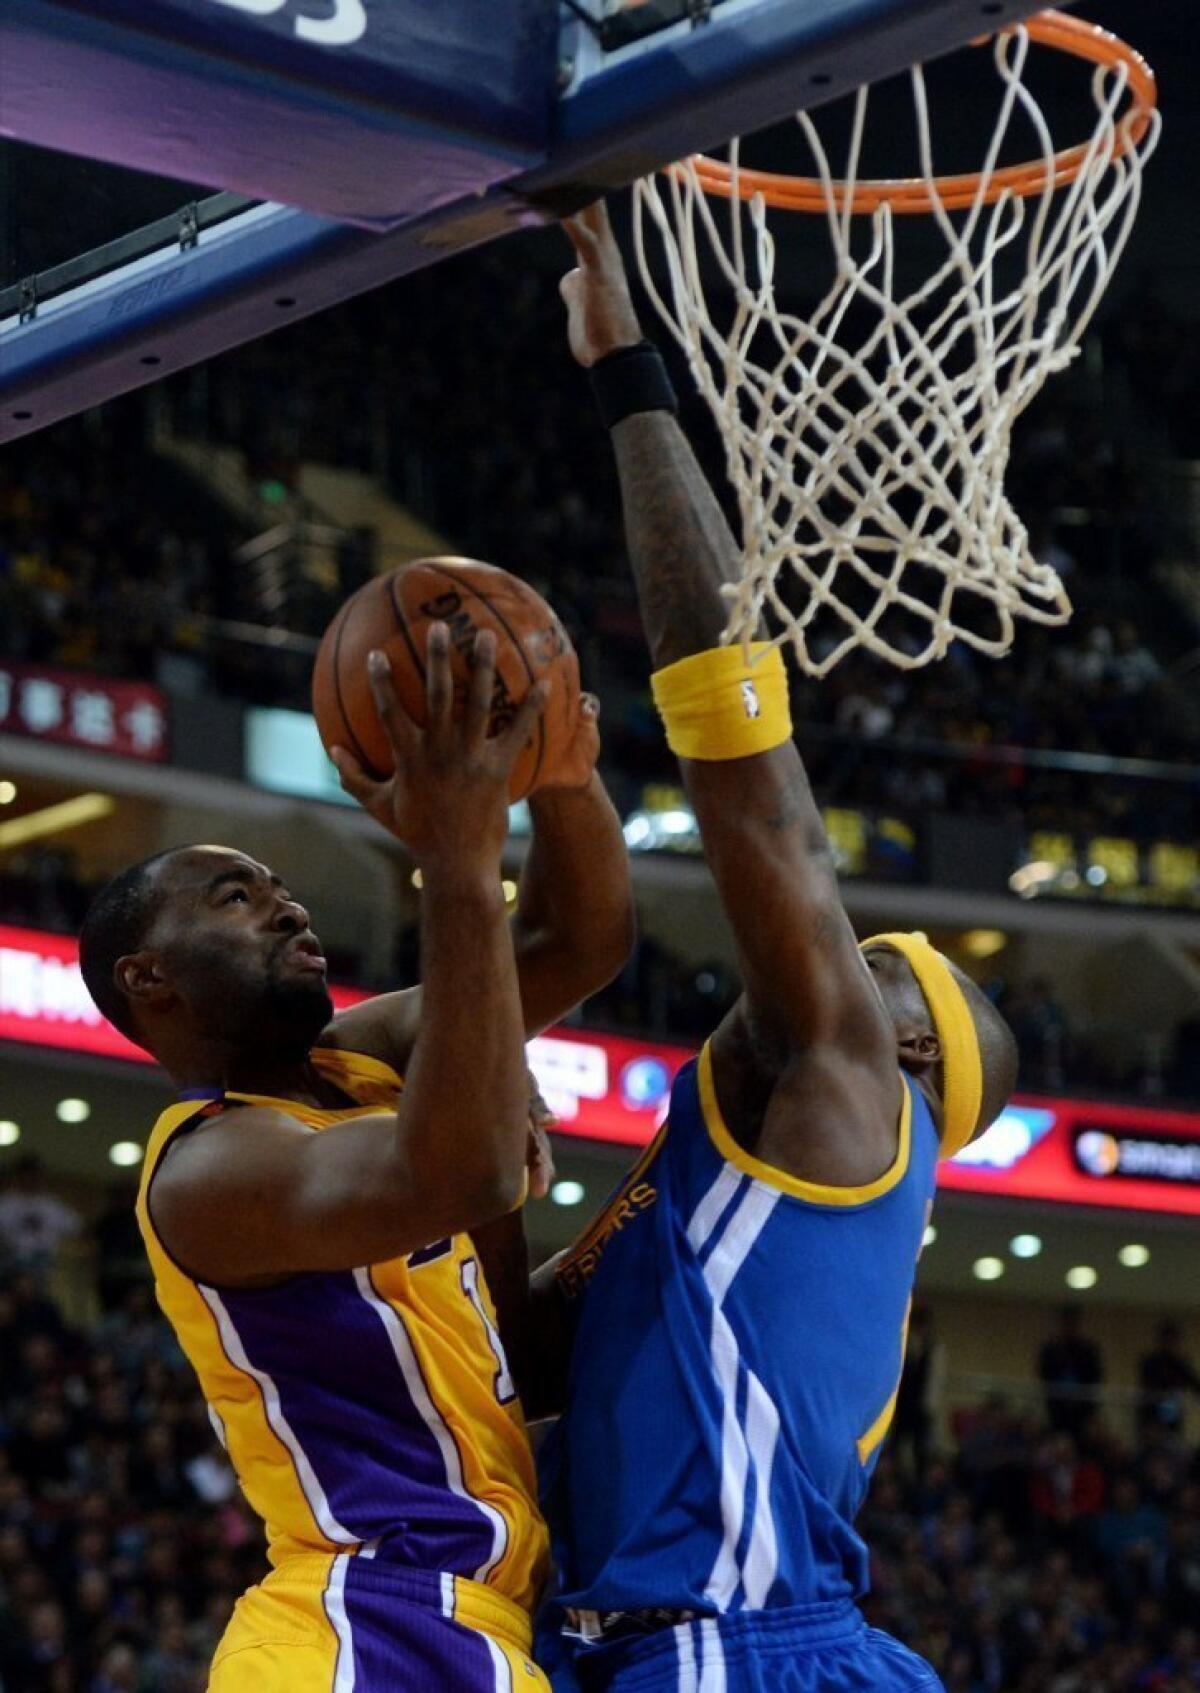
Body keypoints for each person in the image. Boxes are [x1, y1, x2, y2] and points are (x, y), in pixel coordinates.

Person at [528, 204, 1019, 1693]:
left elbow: (755, 789)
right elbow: (513, 1350)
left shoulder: (851, 1097)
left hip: (742, 1656)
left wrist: (627, 373)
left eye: (875, 960)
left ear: (910, 1052)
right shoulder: (724, 1192)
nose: (826, 952)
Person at [78, 626, 633, 1692]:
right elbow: (461, 1170)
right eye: (234, 898)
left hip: (470, 1627)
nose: (285, 902)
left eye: (279, 884)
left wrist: (562, 770)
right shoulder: (208, 1169)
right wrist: (457, 857)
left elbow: (580, 940)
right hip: (360, 1623)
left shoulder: (357, 1063)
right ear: (152, 979)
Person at [1038, 1306, 1105, 1441]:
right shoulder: (1050, 1350)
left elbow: (1095, 1379)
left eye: (1072, 1323)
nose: (1069, 1328)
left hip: (1081, 1411)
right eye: (1066, 1323)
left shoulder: (1088, 1350)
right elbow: (1044, 1375)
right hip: (1057, 1409)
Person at [1139, 1321, 1200, 1430]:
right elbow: (1148, 1385)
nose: (1171, 1344)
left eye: (1173, 1341)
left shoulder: (1180, 1364)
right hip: (1152, 1410)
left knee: (1169, 1412)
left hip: (1170, 1408)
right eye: (1168, 1340)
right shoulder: (1151, 1362)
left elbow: (1194, 1384)